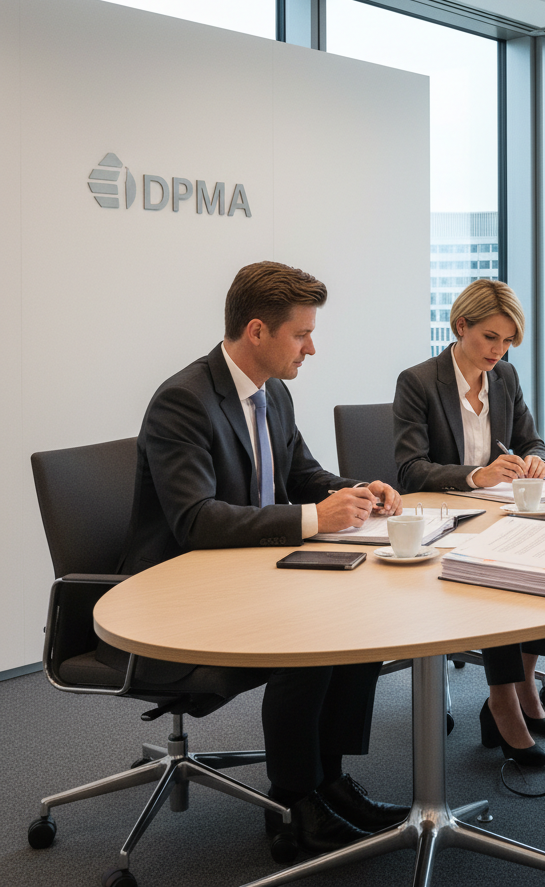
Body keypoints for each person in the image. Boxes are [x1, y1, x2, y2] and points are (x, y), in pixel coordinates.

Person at [116, 261, 408, 854]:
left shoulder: (272, 395)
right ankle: (293, 805)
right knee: (312, 632)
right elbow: (195, 519)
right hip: (177, 595)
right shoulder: (183, 401)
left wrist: (356, 492)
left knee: (356, 620)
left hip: (248, 573)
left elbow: (302, 474)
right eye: (301, 334)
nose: (312, 348)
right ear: (257, 331)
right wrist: (312, 519)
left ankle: (329, 783)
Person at [393, 279, 545, 766]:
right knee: (500, 569)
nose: (500, 350)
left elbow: (536, 443)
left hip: (499, 513)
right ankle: (502, 706)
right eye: (491, 337)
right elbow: (409, 469)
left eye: (507, 341)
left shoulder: (504, 378)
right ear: (461, 325)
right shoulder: (419, 381)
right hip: (444, 518)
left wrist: (537, 464)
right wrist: (476, 475)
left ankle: (525, 686)